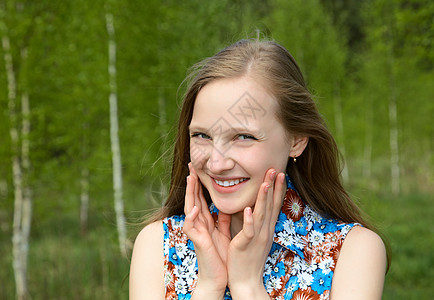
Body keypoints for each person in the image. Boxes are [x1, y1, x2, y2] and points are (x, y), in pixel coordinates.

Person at [129, 39, 389, 299]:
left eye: (243, 137)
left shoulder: (352, 252)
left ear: (296, 140)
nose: (217, 164)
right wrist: (209, 286)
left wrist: (247, 286)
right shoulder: (157, 246)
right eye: (202, 135)